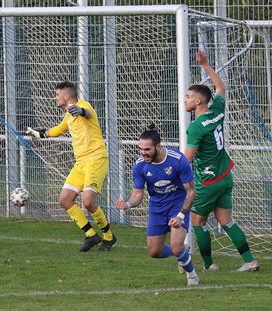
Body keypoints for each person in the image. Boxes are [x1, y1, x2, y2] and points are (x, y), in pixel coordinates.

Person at [184, 50, 260, 272]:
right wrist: (206, 65)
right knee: (226, 220)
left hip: (207, 181)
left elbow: (187, 159)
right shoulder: (217, 111)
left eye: (188, 96)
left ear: (198, 101)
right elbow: (220, 89)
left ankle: (209, 265)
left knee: (197, 222)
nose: (185, 99)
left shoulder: (196, 127)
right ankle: (249, 260)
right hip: (225, 176)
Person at [26, 81, 116, 252]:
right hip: (81, 163)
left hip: (96, 159)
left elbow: (87, 113)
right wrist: (38, 134)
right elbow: (57, 130)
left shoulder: (83, 106)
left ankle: (109, 237)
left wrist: (80, 111)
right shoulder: (68, 114)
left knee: (88, 202)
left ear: (67, 96)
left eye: (57, 95)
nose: (55, 98)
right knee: (65, 200)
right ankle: (91, 235)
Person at [116, 125, 199, 286]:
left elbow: (191, 192)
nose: (143, 153)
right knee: (154, 251)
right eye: (141, 149)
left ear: (159, 146)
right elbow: (137, 194)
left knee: (175, 247)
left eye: (147, 149)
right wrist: (127, 204)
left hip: (178, 205)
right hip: (157, 207)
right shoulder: (140, 165)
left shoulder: (178, 160)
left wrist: (181, 215)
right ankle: (184, 250)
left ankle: (192, 275)